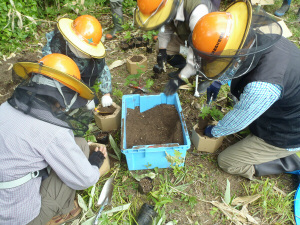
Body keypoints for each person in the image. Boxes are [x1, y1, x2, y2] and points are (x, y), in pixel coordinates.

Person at [188, 0, 300, 180]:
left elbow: (238, 121)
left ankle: (287, 161)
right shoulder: (256, 40)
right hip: (283, 109)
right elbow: (234, 63)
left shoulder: (262, 87)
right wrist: (218, 82)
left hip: (287, 134)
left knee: (228, 161)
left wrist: (213, 132)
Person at [0, 53, 109, 224]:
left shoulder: (5, 108)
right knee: (76, 170)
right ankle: (61, 213)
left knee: (79, 144)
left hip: (7, 195)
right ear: (63, 96)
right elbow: (85, 179)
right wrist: (94, 163)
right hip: (18, 217)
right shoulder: (52, 131)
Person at [134, 0, 219, 93]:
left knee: (205, 63)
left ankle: (206, 78)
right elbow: (166, 28)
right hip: (188, 38)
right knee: (161, 46)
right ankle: (183, 67)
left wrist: (179, 78)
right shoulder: (170, 6)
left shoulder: (197, 13)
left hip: (210, 45)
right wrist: (162, 51)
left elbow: (198, 53)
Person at [42, 15, 113, 109]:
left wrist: (106, 94)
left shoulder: (94, 58)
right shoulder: (58, 45)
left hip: (82, 84)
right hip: (59, 79)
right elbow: (47, 66)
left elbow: (103, 70)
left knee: (90, 105)